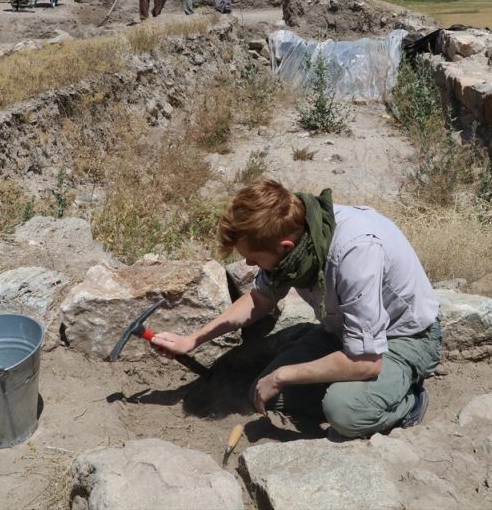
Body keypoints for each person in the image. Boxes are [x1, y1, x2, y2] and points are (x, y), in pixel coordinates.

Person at [151, 179, 442, 439]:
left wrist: (283, 375)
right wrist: (193, 340)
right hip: (343, 333)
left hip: (403, 338)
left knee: (343, 412)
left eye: (253, 259)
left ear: (285, 246)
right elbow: (260, 299)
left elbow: (366, 361)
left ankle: (408, 401)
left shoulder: (355, 254)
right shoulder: (298, 240)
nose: (249, 265)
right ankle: (347, 386)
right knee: (263, 394)